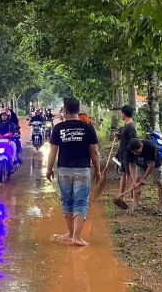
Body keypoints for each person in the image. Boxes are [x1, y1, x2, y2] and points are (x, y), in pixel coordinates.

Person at [46, 97, 101, 246]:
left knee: (67, 202)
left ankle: (72, 235)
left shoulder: (59, 128)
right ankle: (75, 236)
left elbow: (52, 151)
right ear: (78, 110)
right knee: (80, 202)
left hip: (64, 170)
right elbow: (94, 152)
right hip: (82, 170)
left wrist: (49, 169)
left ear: (66, 110)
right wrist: (98, 171)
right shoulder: (88, 127)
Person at [127, 138, 162, 213]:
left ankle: (161, 207)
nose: (135, 154)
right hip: (141, 165)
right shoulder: (129, 149)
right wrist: (133, 180)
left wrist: (144, 178)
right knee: (136, 182)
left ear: (141, 146)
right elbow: (131, 165)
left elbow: (152, 164)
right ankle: (135, 206)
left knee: (159, 183)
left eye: (137, 151)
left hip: (155, 165)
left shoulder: (151, 147)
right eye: (133, 152)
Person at [116, 105, 137, 197]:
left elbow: (133, 142)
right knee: (123, 173)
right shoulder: (126, 126)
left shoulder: (131, 127)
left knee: (129, 175)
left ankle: (132, 195)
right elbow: (125, 138)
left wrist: (130, 153)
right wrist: (119, 136)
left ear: (124, 114)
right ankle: (121, 195)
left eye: (121, 113)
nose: (121, 115)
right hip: (123, 154)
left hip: (128, 154)